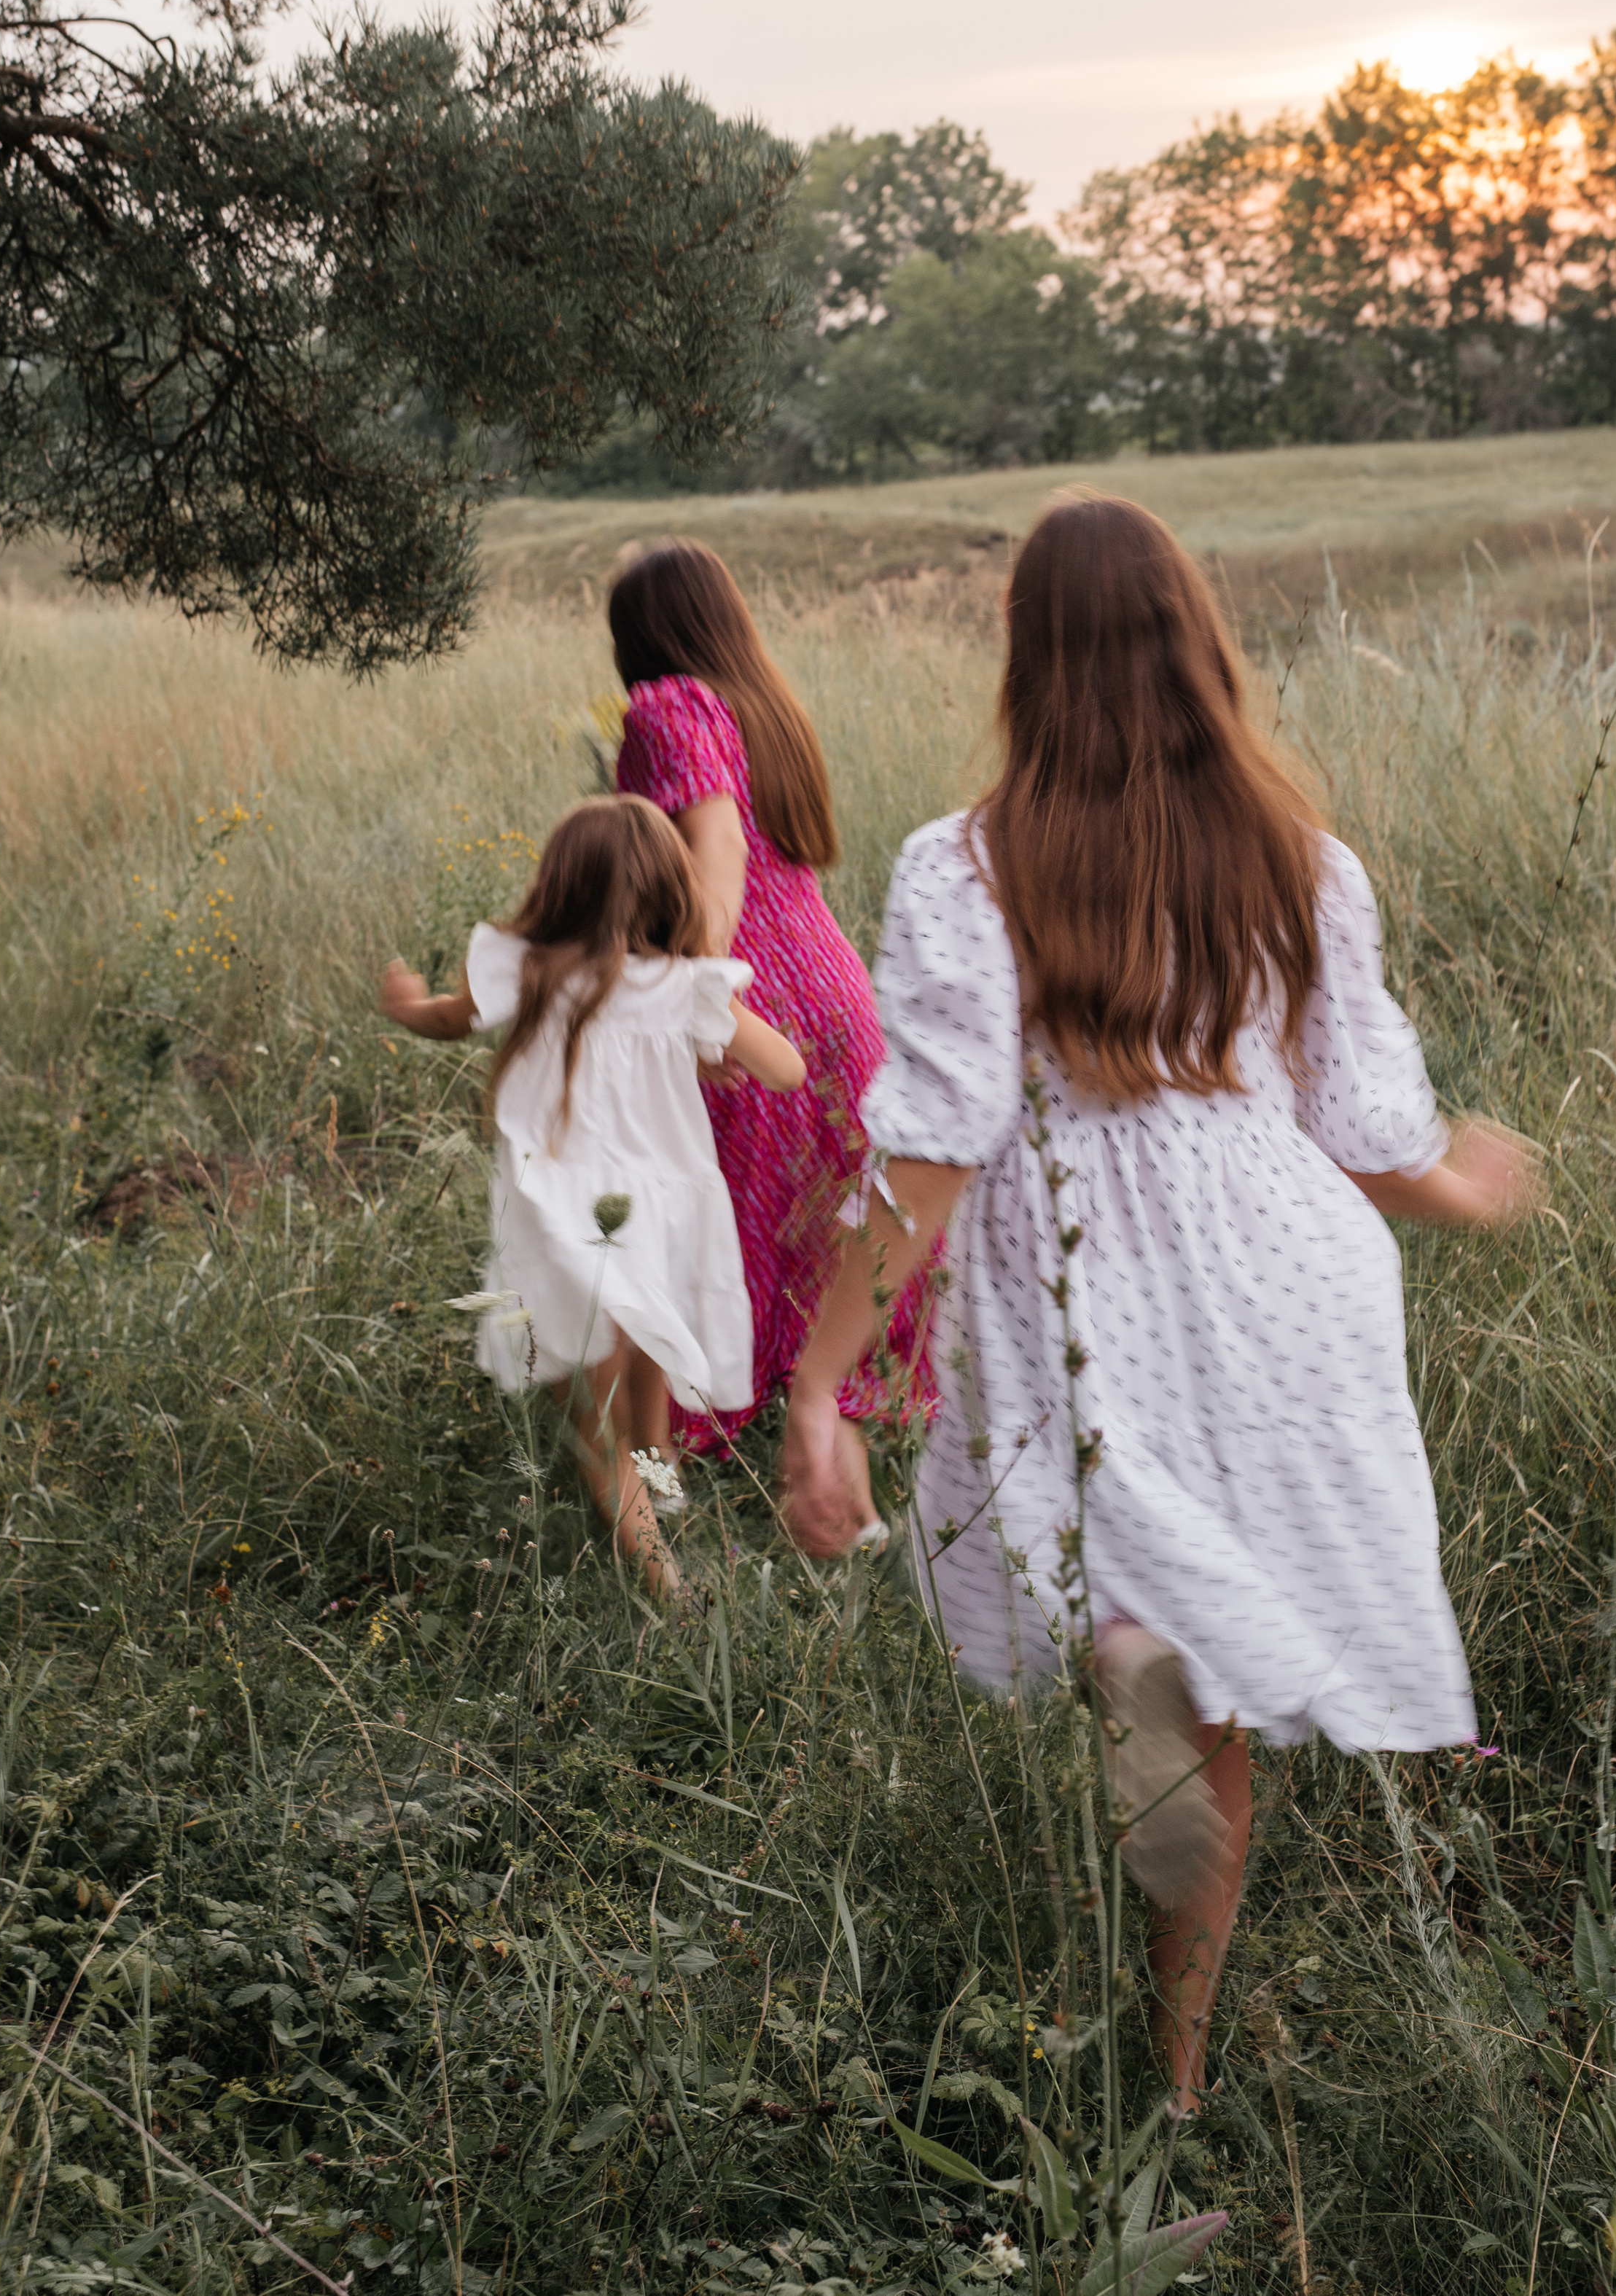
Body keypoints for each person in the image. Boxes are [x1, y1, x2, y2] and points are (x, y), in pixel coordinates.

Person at [776, 493, 1539, 2116]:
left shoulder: (964, 866)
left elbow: (929, 1147)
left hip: (1082, 1264)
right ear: (1197, 642)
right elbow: (1364, 1130)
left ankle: (1134, 1652)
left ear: (1024, 656)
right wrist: (1458, 1185)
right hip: (1281, 1270)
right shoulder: (1297, 860)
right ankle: (1179, 2079)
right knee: (1207, 1695)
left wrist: (820, 1382)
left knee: (1127, 1597)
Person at [381, 796, 805, 1590]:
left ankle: (665, 1589)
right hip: (667, 1212)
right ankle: (666, 1506)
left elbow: (447, 1018)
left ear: (559, 888)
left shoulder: (530, 970)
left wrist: (407, 1005)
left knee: (597, 1431)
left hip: (568, 1217)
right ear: (669, 891)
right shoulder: (683, 987)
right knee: (649, 1396)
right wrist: (713, 1049)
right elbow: (787, 1068)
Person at [611, 541, 934, 1515]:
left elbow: (714, 851)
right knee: (825, 1209)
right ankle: (842, 1405)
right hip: (830, 983)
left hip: (753, 994)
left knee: (715, 1219)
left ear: (642, 634)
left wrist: (696, 991)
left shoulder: (667, 704)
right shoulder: (764, 705)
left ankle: (686, 1448)